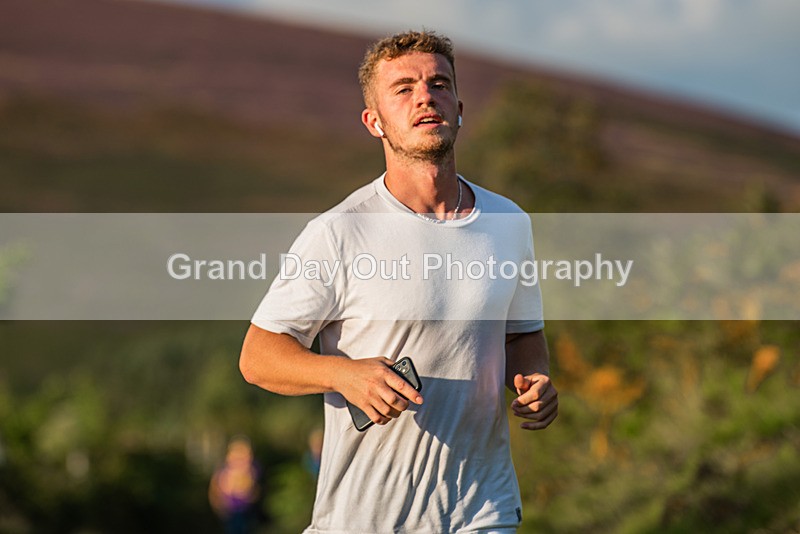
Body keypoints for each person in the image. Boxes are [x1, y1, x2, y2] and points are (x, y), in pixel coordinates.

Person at [240, 30, 558, 533]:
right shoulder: (339, 232)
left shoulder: (509, 222)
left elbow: (522, 334)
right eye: (403, 88)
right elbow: (258, 357)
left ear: (459, 106)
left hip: (483, 507)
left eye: (438, 83)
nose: (425, 97)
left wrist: (534, 379)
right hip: (368, 515)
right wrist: (345, 375)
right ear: (374, 122)